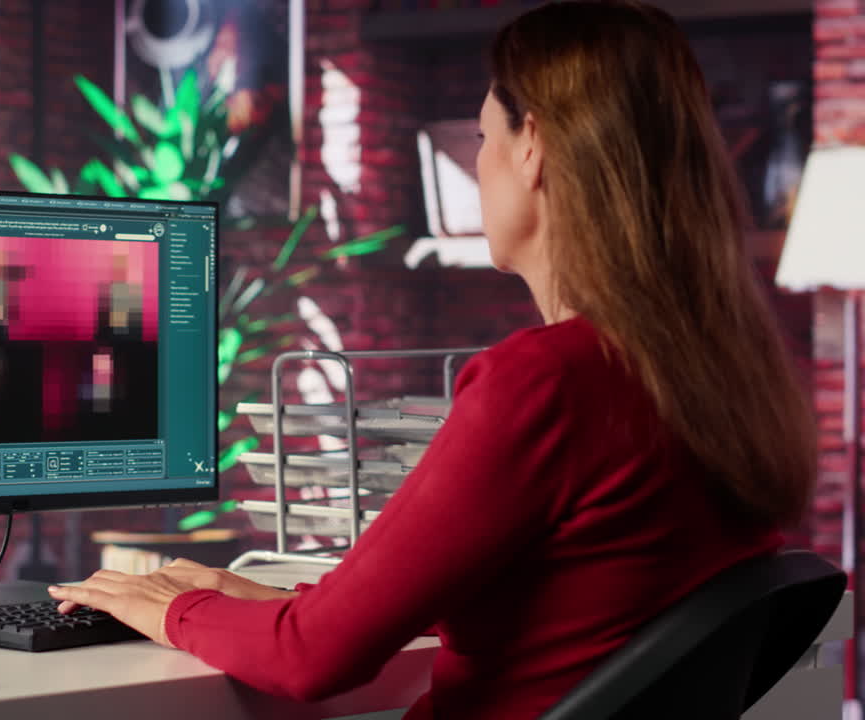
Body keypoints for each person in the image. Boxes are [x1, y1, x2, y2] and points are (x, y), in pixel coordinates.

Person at [47, 2, 817, 717]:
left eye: (482, 137)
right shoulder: (715, 374)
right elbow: (553, 607)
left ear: (535, 148)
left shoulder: (548, 381)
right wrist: (231, 593)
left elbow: (313, 660)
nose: (474, 164)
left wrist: (168, 608)